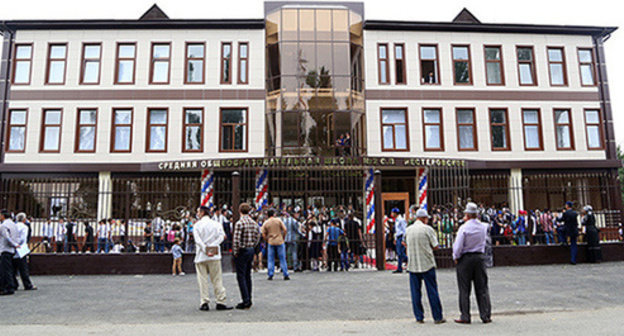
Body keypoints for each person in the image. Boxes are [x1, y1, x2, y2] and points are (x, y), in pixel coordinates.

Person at [452, 202, 492, 324]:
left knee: (464, 289)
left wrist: (456, 256)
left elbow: (458, 246)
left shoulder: (464, 228)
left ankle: (465, 315)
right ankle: (485, 315)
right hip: (479, 257)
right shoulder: (483, 227)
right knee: (482, 288)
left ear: (467, 215)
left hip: (466, 258)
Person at [405, 209, 445, 324]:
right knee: (432, 290)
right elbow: (436, 246)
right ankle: (437, 316)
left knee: (415, 292)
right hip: (427, 263)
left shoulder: (408, 230)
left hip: (413, 264)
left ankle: (419, 316)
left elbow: (405, 243)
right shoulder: (428, 229)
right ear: (423, 218)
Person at [194, 206, 233, 311]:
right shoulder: (216, 224)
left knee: (202, 279)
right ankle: (220, 300)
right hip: (215, 255)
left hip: (201, 255)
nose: (197, 214)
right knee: (217, 279)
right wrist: (213, 246)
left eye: (198, 212)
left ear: (202, 213)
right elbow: (222, 237)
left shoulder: (197, 225)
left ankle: (204, 301)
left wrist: (205, 248)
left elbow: (197, 240)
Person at [232, 203, 261, 310]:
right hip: (250, 249)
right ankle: (249, 298)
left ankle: (245, 299)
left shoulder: (240, 223)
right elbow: (258, 237)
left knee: (241, 276)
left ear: (240, 211)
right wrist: (253, 245)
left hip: (242, 250)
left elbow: (236, 239)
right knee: (248, 275)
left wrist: (235, 252)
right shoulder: (254, 223)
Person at [261, 209, 290, 280]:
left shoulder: (266, 222)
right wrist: (283, 237)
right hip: (279, 240)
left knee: (270, 259)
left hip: (271, 241)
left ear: (267, 215)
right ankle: (285, 273)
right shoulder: (278, 220)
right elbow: (285, 230)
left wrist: (266, 239)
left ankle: (270, 274)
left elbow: (263, 233)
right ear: (274, 214)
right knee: (282, 258)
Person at [12, 213, 36, 291]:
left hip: (13, 249)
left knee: (13, 268)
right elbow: (23, 239)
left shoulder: (13, 226)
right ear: (24, 219)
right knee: (23, 268)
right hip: (21, 250)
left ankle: (14, 283)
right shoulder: (24, 227)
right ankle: (27, 284)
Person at [0, 210, 19, 295]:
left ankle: (8, 287)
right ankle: (12, 285)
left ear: (3, 216)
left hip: (5, 249)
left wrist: (14, 244)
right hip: (11, 250)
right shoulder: (13, 224)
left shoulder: (3, 225)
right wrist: (15, 245)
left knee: (5, 270)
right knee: (9, 269)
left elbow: (7, 237)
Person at [392, 208, 408, 273]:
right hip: (398, 237)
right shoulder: (397, 220)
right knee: (399, 253)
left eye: (392, 212)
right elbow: (396, 231)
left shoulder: (401, 220)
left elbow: (404, 230)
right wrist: (395, 239)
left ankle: (409, 261)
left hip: (401, 237)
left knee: (400, 253)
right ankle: (399, 267)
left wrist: (404, 239)